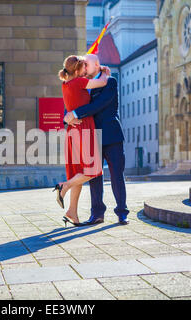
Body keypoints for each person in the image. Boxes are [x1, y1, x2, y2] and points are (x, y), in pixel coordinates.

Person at [64, 54, 130, 226]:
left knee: (116, 175)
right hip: (91, 135)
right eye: (82, 64)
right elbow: (72, 104)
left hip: (111, 135)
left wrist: (75, 114)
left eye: (86, 64)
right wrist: (68, 117)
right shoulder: (83, 84)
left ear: (96, 65)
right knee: (94, 176)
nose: (83, 67)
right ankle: (97, 214)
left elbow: (97, 105)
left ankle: (122, 213)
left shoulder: (110, 81)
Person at [54, 55, 110, 227]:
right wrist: (104, 72)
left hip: (73, 130)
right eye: (84, 66)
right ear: (77, 70)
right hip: (83, 128)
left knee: (78, 171)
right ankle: (64, 186)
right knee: (94, 170)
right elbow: (102, 83)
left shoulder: (66, 84)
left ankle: (72, 212)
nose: (86, 69)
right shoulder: (78, 83)